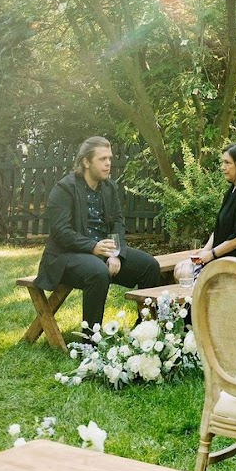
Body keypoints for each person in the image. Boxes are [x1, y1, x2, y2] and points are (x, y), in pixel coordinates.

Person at [35, 136, 161, 336]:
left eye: (109, 158)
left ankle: (146, 330)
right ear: (86, 162)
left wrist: (116, 253)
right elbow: (60, 232)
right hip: (65, 257)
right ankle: (90, 340)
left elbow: (118, 222)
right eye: (102, 159)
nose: (108, 163)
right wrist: (92, 247)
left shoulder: (109, 188)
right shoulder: (64, 189)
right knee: (98, 271)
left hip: (103, 252)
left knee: (149, 266)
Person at [192, 140, 236, 266]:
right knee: (181, 269)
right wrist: (205, 251)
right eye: (222, 162)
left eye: (227, 163)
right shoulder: (232, 192)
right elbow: (219, 230)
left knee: (183, 272)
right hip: (225, 258)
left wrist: (211, 255)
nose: (222, 167)